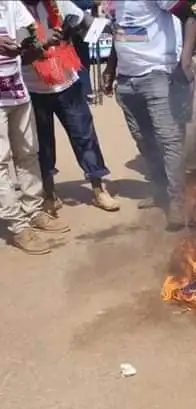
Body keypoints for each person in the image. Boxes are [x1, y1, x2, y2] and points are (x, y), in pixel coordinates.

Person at [101, 0, 196, 230]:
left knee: (168, 140)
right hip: (126, 81)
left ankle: (178, 202)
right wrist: (111, 69)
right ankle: (160, 191)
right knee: (144, 140)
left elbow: (191, 17)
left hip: (157, 75)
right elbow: (121, 34)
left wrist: (184, 61)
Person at [21, 0, 119, 214]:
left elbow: (88, 24)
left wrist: (90, 29)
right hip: (33, 89)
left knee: (84, 136)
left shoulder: (58, 3)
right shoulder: (14, 10)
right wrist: (43, 44)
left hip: (67, 83)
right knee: (42, 145)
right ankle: (49, 195)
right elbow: (18, 54)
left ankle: (98, 188)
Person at [0, 0, 70, 255]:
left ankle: (34, 211)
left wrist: (41, 41)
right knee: (0, 162)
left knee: (28, 154)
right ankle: (18, 227)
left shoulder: (11, 4)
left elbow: (26, 37)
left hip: (17, 92)